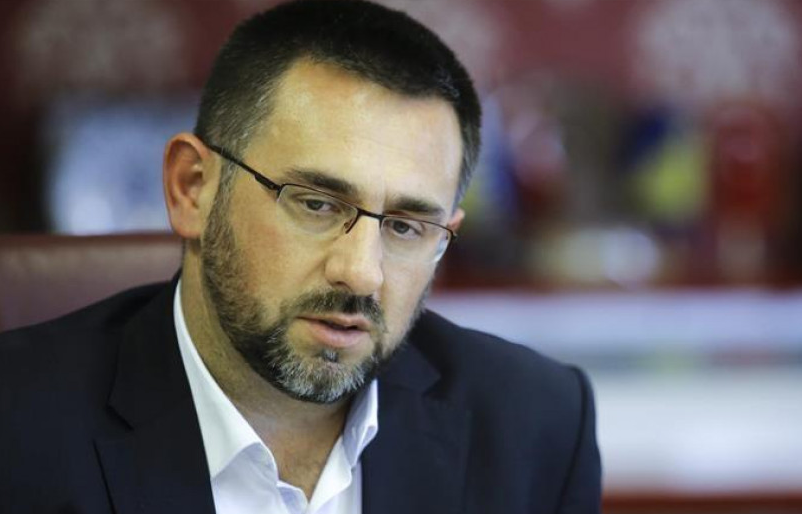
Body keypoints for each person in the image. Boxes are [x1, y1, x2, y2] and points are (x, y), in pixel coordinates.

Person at [0, 1, 601, 513]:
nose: (361, 273)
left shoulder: (537, 425)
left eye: (405, 227)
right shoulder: (18, 426)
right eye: (316, 204)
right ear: (192, 189)